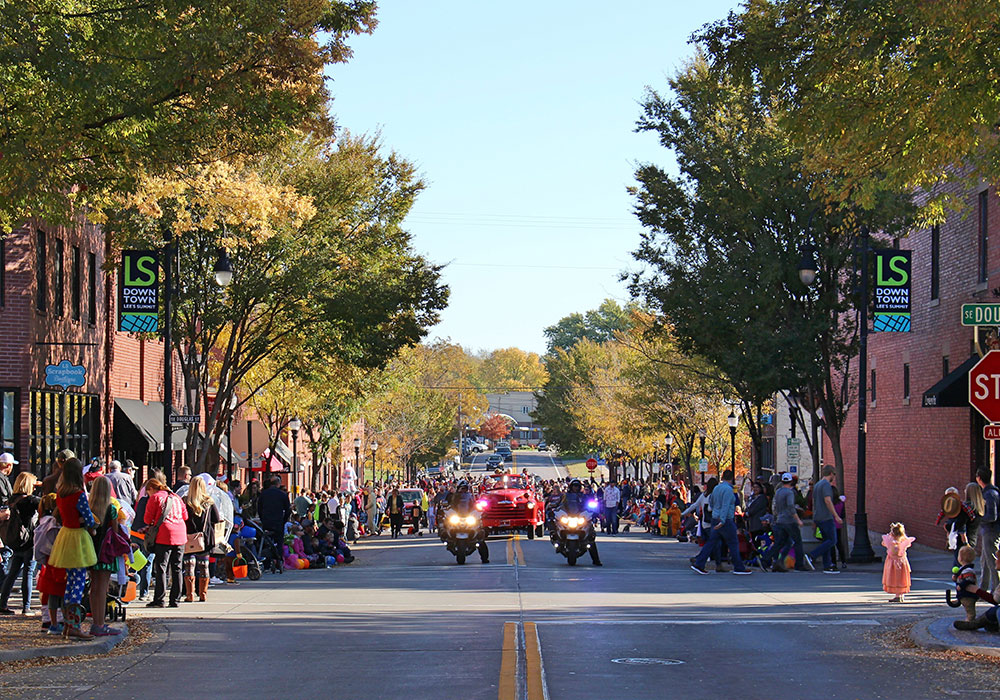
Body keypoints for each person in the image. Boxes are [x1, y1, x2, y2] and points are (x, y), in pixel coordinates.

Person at [47, 458, 97, 639]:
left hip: (65, 535)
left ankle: (68, 624)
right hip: (78, 537)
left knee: (70, 583)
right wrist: (91, 523)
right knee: (79, 583)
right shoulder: (78, 494)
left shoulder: (61, 493)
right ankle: (74, 625)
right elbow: (89, 519)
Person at [690, 470, 751, 575]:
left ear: (722, 477)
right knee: (733, 542)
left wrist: (715, 513)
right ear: (732, 478)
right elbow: (726, 506)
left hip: (715, 518)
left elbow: (712, 503)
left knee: (712, 541)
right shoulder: (729, 490)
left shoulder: (716, 488)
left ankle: (700, 563)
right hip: (725, 519)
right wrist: (722, 520)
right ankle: (738, 567)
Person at [87, 475, 125, 636]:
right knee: (102, 588)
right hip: (105, 552)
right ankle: (100, 624)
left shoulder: (89, 506)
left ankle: (95, 620)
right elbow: (115, 532)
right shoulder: (111, 508)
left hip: (90, 550)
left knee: (93, 587)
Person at [0, 472, 40, 615]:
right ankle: (26, 606)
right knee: (28, 573)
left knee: (12, 573)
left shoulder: (11, 500)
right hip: (29, 542)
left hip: (15, 540)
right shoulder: (31, 501)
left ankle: (3, 603)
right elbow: (47, 503)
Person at [143, 478, 188, 608]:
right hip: (180, 533)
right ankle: (175, 600)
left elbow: (147, 518)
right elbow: (185, 516)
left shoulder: (155, 498)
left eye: (147, 492)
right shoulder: (176, 497)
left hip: (164, 534)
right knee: (177, 567)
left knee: (161, 567)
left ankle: (160, 599)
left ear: (151, 489)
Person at [184, 477, 220, 602]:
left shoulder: (185, 501)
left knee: (189, 566)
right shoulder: (209, 502)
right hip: (205, 538)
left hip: (189, 537)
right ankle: (203, 593)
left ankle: (190, 594)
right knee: (204, 566)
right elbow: (216, 519)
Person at [764, 473, 808, 572]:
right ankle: (799, 564)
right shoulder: (789, 493)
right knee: (798, 542)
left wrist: (775, 518)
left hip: (780, 520)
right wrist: (798, 520)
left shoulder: (778, 491)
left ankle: (766, 560)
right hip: (790, 521)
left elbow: (774, 506)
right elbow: (791, 507)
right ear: (791, 481)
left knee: (779, 543)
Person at [557, 479, 602, 565]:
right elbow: (560, 504)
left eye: (577, 486)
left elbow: (590, 504)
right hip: (569, 516)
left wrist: (593, 511)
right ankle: (558, 541)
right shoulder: (565, 496)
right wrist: (555, 509)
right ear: (571, 487)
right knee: (557, 524)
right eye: (574, 486)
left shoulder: (583, 496)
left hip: (580, 517)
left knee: (591, 536)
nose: (576, 488)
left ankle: (596, 560)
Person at [807, 465, 842, 575]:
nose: (834, 477)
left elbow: (814, 503)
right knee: (832, 540)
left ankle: (827, 565)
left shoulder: (817, 485)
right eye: (834, 475)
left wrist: (814, 519)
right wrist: (836, 516)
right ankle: (812, 555)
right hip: (826, 517)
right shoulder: (826, 485)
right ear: (831, 473)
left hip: (818, 517)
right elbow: (828, 501)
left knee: (826, 540)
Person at [447, 480, 489, 563]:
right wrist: (445, 509)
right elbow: (448, 506)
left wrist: (480, 510)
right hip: (457, 517)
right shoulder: (453, 497)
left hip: (468, 517)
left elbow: (475, 505)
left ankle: (484, 558)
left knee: (480, 536)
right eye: (462, 488)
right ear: (458, 488)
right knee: (445, 527)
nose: (463, 490)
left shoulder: (470, 497)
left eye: (465, 489)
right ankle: (449, 540)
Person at [256, 477, 291, 569]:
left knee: (266, 541)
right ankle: (279, 561)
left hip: (267, 521)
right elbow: (288, 510)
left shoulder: (264, 494)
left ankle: (267, 562)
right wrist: (284, 520)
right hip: (278, 521)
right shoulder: (282, 495)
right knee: (279, 541)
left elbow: (259, 508)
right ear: (278, 484)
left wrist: (262, 519)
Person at [976, 468, 1000, 593]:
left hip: (991, 531)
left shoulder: (990, 494)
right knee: (985, 561)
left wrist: (978, 518)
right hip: (988, 531)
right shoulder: (989, 492)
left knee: (992, 562)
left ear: (979, 478)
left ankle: (997, 590)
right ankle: (983, 590)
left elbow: (992, 516)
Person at [881, 522, 915, 603]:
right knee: (901, 578)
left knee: (894, 578)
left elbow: (883, 543)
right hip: (902, 561)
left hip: (892, 563)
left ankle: (897, 595)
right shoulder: (903, 542)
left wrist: (890, 535)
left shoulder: (890, 541)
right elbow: (908, 542)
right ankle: (901, 595)